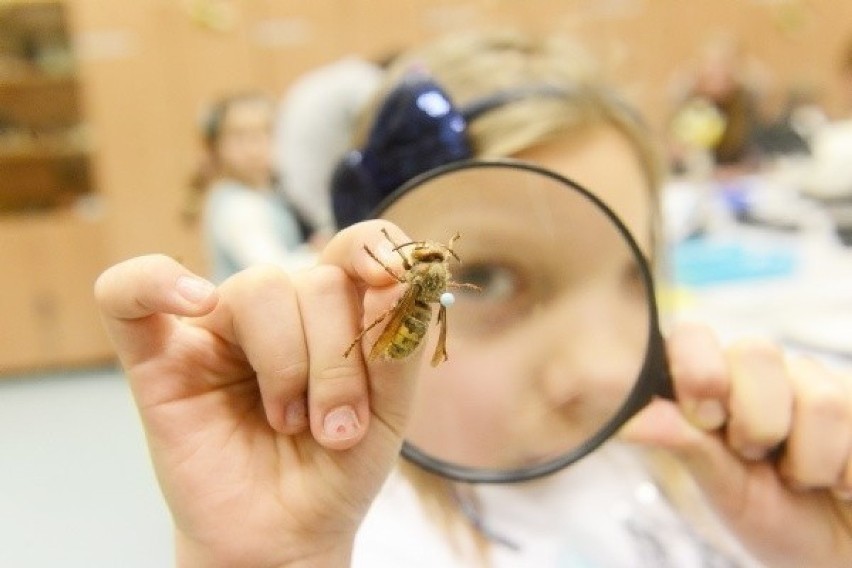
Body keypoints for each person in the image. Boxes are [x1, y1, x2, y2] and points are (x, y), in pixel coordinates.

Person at [95, 31, 852, 567]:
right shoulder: (355, 538)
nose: (594, 370)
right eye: (492, 281)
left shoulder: (718, 482)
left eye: (633, 273)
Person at [190, 91, 317, 282]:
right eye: (240, 136)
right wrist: (325, 252)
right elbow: (276, 272)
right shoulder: (235, 207)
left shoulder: (272, 193)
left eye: (266, 132)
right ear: (217, 146)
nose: (254, 147)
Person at [274, 56, 389, 239]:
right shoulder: (366, 81)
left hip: (291, 190)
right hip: (317, 207)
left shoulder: (335, 77)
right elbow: (385, 130)